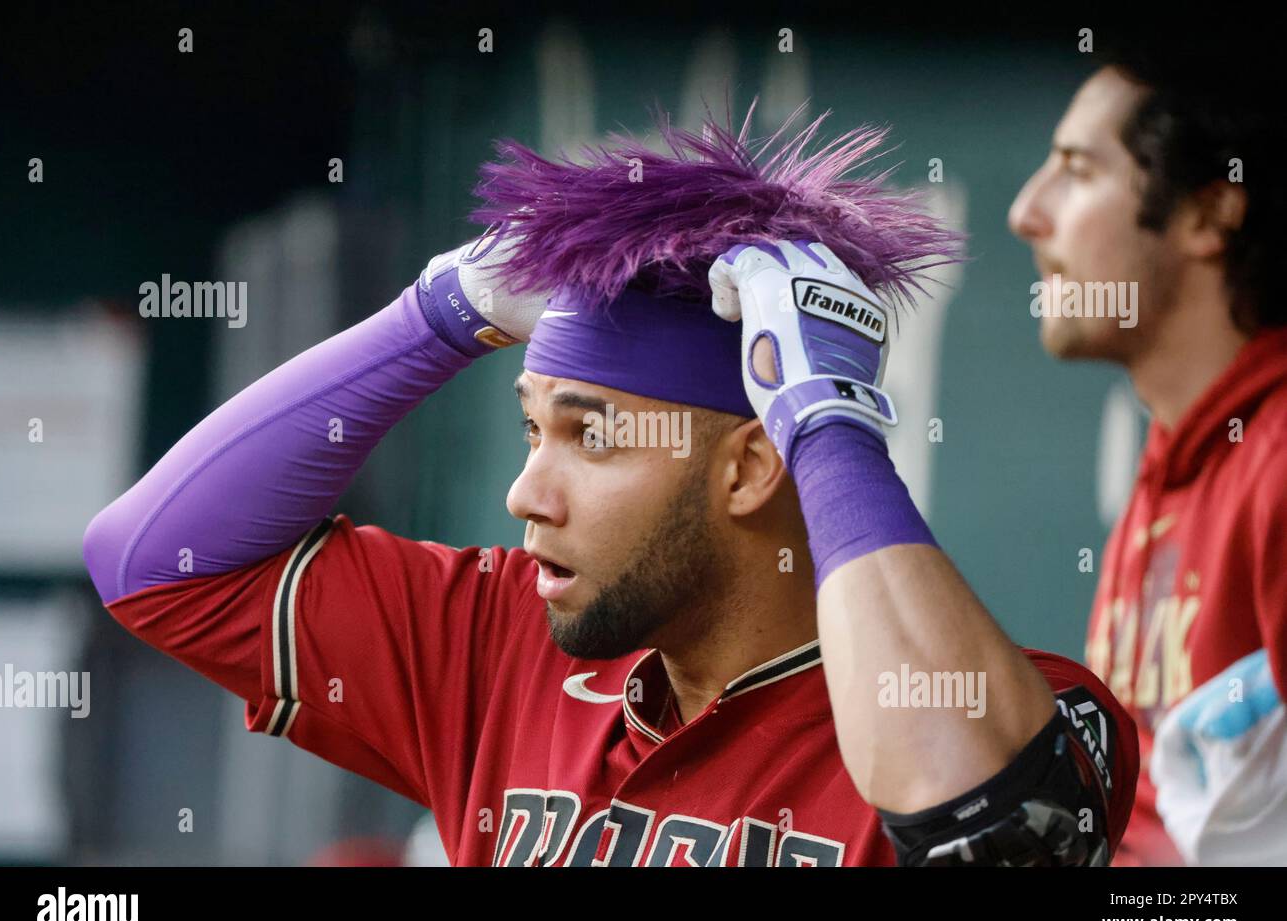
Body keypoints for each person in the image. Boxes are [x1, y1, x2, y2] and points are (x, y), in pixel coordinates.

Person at [83, 105, 1136, 866]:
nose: (525, 492)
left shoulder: (1013, 707)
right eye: (529, 428)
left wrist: (825, 421)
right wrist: (440, 314)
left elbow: (996, 829)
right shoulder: (501, 642)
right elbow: (150, 564)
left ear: (750, 464)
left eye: (589, 437)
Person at [1008, 26, 1286, 865]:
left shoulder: (1275, 460)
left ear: (1209, 212)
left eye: (1079, 169)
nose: (1028, 211)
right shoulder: (1181, 449)